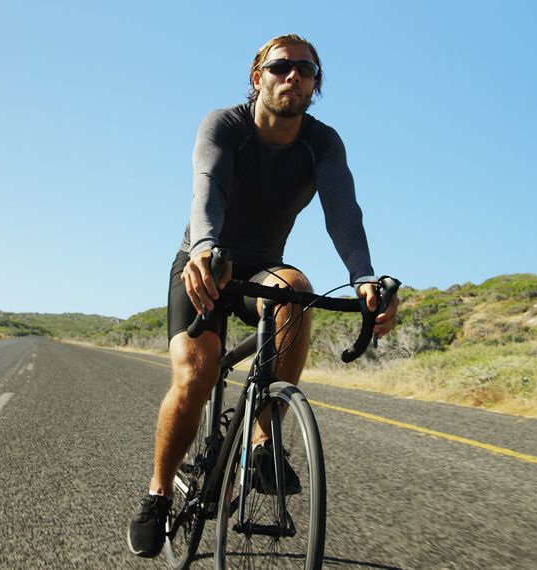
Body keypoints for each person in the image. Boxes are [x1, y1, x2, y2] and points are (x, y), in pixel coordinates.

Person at [127, 33, 400, 558]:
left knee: (296, 290)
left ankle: (263, 438)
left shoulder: (322, 143)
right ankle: (158, 493)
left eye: (306, 69)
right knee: (197, 371)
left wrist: (364, 276)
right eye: (280, 67)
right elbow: (206, 186)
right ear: (258, 78)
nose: (293, 76)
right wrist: (204, 247)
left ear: (316, 84)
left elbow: (343, 211)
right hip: (207, 263)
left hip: (264, 269)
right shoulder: (224, 125)